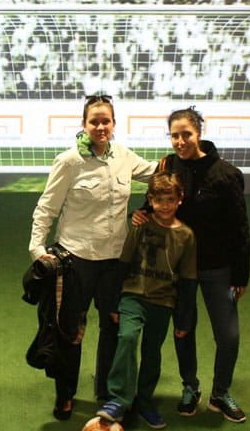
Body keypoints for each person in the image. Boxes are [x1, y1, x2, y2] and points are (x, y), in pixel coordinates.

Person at [29, 95, 158, 421]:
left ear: (114, 124)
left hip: (116, 262)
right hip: (76, 260)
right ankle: (65, 396)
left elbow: (159, 174)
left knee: (112, 329)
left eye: (106, 121)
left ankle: (108, 395)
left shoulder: (124, 157)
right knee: (69, 331)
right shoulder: (70, 161)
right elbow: (47, 208)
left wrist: (192, 161)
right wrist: (38, 250)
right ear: (84, 124)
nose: (101, 127)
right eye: (94, 121)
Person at [131, 106, 250, 423]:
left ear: (199, 133)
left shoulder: (226, 174)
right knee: (183, 330)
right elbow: (156, 201)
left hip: (218, 269)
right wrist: (141, 211)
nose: (180, 141)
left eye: (186, 134)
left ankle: (220, 393)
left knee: (228, 336)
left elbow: (240, 228)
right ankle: (190, 387)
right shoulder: (168, 165)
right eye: (175, 135)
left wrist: (240, 274)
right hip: (179, 271)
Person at [95, 171, 198, 429]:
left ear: (179, 200)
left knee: (152, 352)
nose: (165, 206)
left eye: (170, 200)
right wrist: (113, 301)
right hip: (133, 296)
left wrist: (184, 318)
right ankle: (119, 398)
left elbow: (188, 281)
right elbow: (123, 263)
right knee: (127, 338)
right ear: (150, 200)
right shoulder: (140, 225)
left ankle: (144, 401)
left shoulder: (186, 235)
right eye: (159, 200)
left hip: (163, 303)